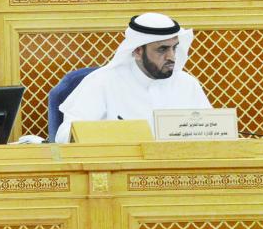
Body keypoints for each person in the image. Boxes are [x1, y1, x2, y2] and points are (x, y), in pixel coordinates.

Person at [55, 12, 210, 143]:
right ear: (137, 51)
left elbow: (213, 133)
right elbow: (65, 136)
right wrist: (117, 134)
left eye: (174, 48)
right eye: (162, 49)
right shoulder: (102, 82)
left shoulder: (187, 84)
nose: (171, 57)